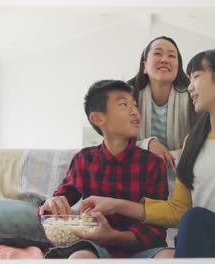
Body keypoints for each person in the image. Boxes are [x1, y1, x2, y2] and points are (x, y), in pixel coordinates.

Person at [79, 48, 215, 258]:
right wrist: (115, 204)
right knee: (187, 228)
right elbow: (177, 210)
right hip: (208, 250)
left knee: (194, 219)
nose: (189, 87)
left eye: (196, 77)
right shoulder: (192, 141)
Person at [39, 80, 168, 259]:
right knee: (79, 258)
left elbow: (156, 229)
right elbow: (58, 204)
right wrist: (51, 204)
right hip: (97, 250)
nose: (135, 111)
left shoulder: (153, 164)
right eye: (124, 104)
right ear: (98, 118)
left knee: (170, 257)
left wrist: (115, 236)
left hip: (142, 250)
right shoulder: (84, 160)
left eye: (135, 105)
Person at [128, 36, 196, 171]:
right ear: (144, 66)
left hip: (185, 175)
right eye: (158, 53)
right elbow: (117, 140)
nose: (165, 60)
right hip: (137, 175)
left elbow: (202, 144)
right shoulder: (127, 97)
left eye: (171, 56)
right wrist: (147, 144)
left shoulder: (194, 97)